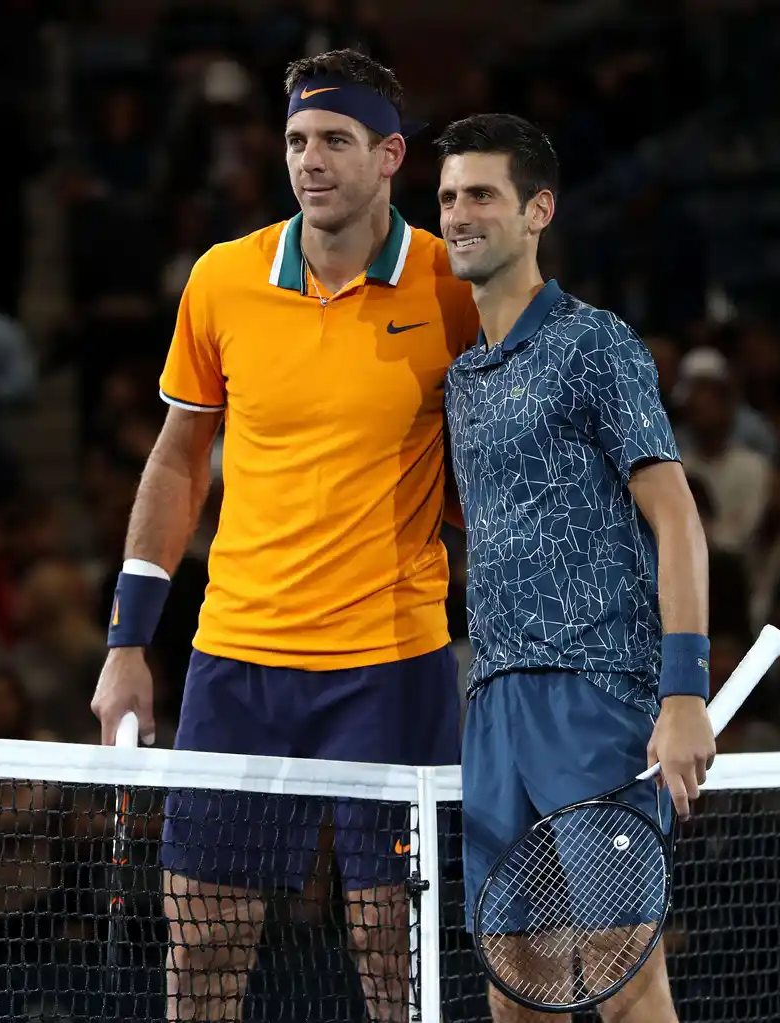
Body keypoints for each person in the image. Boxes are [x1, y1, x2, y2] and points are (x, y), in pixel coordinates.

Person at [88, 49, 478, 1023]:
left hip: (391, 665)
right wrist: (129, 643)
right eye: (299, 139)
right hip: (237, 662)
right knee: (205, 940)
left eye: (336, 141)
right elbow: (178, 461)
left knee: (400, 955)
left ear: (391, 155)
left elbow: (497, 464)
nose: (311, 161)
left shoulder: (454, 284)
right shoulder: (222, 280)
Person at [435, 113, 715, 1023]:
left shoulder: (597, 343)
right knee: (519, 985)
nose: (460, 214)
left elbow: (677, 518)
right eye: (447, 198)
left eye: (482, 194)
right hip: (495, 707)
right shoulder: (461, 379)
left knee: (624, 978)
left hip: (600, 698)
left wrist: (683, 694)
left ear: (537, 211)